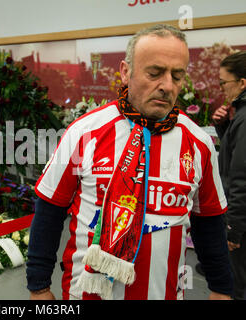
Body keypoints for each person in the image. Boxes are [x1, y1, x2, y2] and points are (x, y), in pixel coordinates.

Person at [26, 24, 233, 300]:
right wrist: (38, 286)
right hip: (85, 295)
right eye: (155, 73)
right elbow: (49, 211)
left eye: (177, 75)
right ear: (125, 72)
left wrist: (221, 289)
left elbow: (209, 224)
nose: (167, 86)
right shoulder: (83, 132)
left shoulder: (199, 144)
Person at [212, 51, 246, 300]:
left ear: (242, 83)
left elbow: (241, 177)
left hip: (241, 223)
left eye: (224, 83)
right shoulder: (240, 116)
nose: (222, 88)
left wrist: (233, 229)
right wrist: (224, 128)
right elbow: (236, 155)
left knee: (235, 285)